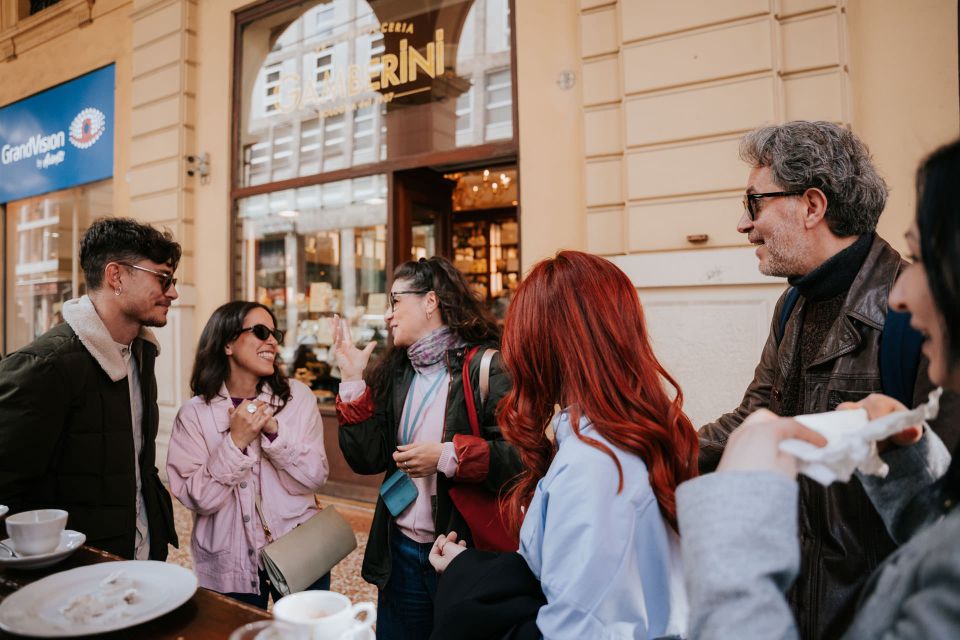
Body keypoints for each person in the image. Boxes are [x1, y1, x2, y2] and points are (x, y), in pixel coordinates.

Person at [678, 139, 960, 639]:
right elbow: (758, 414)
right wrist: (656, 448)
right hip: (795, 600)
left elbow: (946, 517)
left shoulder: (911, 321)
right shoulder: (792, 305)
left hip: (863, 609)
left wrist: (734, 529)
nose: (744, 223)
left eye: (753, 203)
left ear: (812, 205)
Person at [429, 251, 699, 639]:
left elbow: (572, 628)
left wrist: (466, 585)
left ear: (545, 345)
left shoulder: (594, 464)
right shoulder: (620, 436)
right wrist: (469, 566)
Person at [332, 256, 522, 640]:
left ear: (431, 302)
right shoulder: (397, 371)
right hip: (399, 548)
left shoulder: (488, 367)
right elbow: (368, 458)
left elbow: (520, 458)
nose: (387, 315)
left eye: (395, 301)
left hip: (458, 551)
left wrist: (447, 457)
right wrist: (352, 380)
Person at [0, 217, 180, 560]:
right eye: (163, 278)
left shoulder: (143, 353)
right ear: (116, 276)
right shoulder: (44, 366)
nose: (173, 292)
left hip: (139, 557)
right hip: (75, 573)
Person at [166, 301, 329, 608]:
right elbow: (199, 498)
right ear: (227, 343)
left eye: (274, 333)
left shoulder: (297, 399)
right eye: (260, 331)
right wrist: (235, 442)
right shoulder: (194, 415)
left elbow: (315, 476)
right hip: (229, 565)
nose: (272, 341)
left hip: (300, 552)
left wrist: (273, 431)